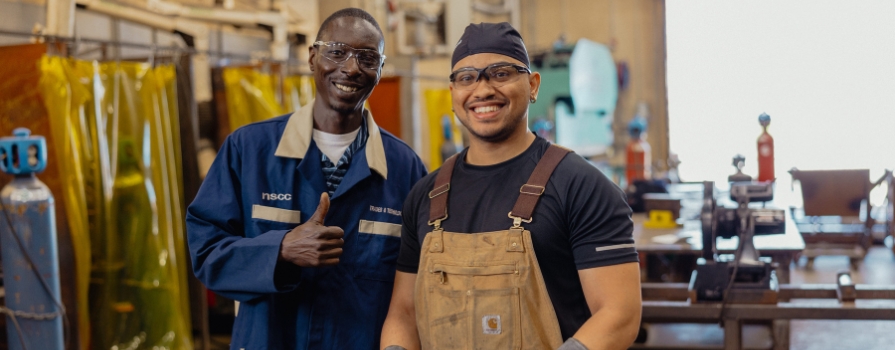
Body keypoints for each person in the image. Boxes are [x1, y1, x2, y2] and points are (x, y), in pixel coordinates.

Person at [381, 22, 642, 350]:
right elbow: (403, 313)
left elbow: (619, 315)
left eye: (501, 73)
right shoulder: (425, 195)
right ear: (453, 94)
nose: (483, 89)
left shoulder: (582, 186)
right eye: (467, 77)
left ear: (533, 85)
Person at [187, 8, 427, 350]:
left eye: (367, 57)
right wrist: (280, 250)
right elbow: (206, 252)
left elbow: (417, 287)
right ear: (312, 57)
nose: (351, 67)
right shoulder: (249, 150)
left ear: (380, 70)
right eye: (337, 52)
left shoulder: (405, 169)